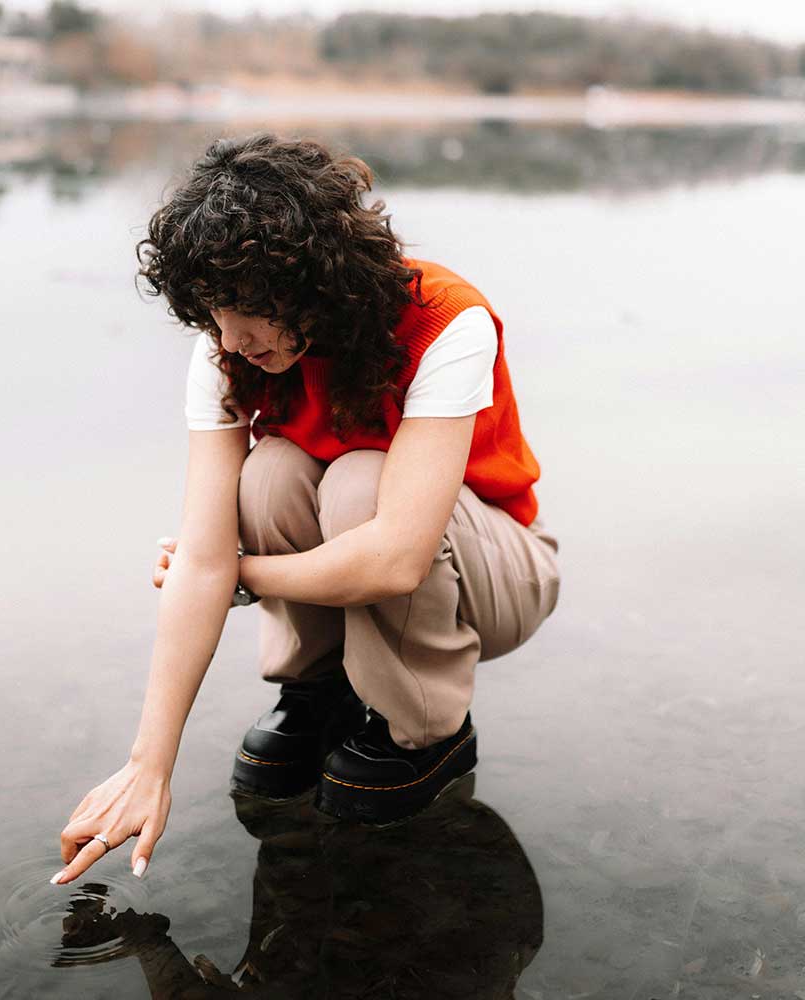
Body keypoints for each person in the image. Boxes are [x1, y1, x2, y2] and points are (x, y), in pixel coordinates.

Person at [50, 132, 560, 888]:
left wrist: (237, 572)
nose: (230, 337)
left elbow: (396, 558)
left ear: (318, 278)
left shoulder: (446, 320)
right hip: (367, 552)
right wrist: (147, 766)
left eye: (247, 308)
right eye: (212, 310)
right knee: (267, 476)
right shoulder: (226, 349)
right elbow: (203, 552)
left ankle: (422, 727)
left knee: (358, 484)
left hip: (499, 574)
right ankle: (320, 689)